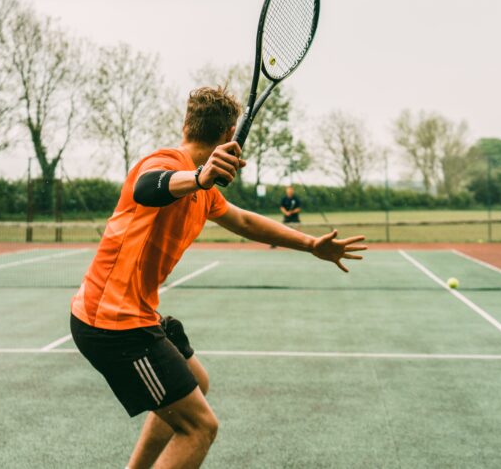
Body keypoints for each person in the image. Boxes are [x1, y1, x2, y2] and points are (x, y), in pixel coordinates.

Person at [70, 86, 366, 469]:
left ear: (186, 124)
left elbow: (243, 220)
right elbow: (149, 187)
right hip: (111, 324)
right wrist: (198, 176)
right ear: (230, 135)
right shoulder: (164, 163)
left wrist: (311, 244)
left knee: (198, 384)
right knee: (200, 427)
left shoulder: (205, 191)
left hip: (130, 313)